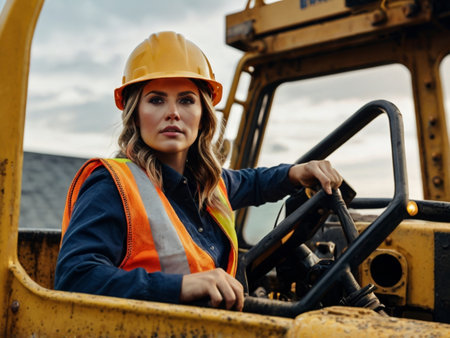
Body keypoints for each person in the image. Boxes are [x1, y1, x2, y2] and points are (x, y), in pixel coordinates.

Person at [54, 31, 342, 312]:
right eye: (156, 100)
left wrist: (297, 172)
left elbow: (254, 182)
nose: (173, 113)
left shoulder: (209, 184)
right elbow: (75, 277)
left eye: (186, 100)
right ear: (135, 113)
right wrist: (181, 286)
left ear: (203, 114)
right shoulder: (112, 185)